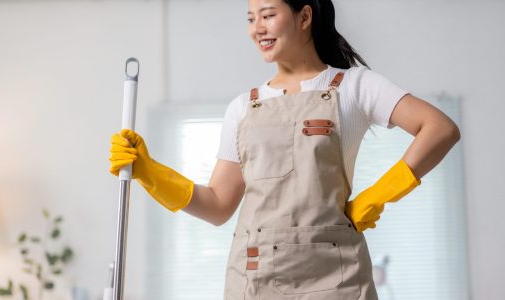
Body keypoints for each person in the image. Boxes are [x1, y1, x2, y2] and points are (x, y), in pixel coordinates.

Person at [109, 0, 461, 298]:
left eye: (267, 14)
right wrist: (149, 172)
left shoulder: (354, 87)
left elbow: (440, 129)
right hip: (256, 278)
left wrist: (378, 195)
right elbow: (218, 205)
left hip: (337, 279)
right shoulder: (243, 108)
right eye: (250, 19)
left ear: (304, 17)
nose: (257, 28)